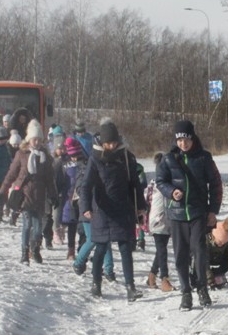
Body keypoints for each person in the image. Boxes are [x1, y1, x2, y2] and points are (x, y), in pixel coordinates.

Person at [155, 120, 223, 311]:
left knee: (199, 251)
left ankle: (202, 288)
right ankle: (186, 292)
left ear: (193, 138)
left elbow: (216, 184)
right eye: (179, 140)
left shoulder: (204, 158)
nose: (183, 144)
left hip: (197, 212)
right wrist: (171, 192)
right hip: (176, 215)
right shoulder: (168, 159)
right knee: (180, 254)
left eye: (186, 139)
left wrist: (213, 211)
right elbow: (160, 181)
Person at [77, 119, 146, 302]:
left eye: (114, 142)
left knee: (125, 248)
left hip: (123, 208)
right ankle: (96, 283)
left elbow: (135, 183)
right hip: (102, 210)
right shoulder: (95, 158)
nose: (111, 146)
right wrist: (85, 207)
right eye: (108, 143)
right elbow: (86, 186)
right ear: (102, 142)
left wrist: (140, 206)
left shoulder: (126, 157)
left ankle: (130, 287)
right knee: (101, 247)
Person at [0, 120, 56, 264]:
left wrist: (53, 195)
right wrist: (3, 189)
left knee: (38, 228)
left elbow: (50, 178)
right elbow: (12, 173)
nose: (36, 142)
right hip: (24, 195)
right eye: (34, 139)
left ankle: (35, 249)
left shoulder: (45, 156)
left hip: (39, 196)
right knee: (27, 224)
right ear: (29, 139)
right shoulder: (21, 154)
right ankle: (24, 253)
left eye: (39, 139)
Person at [145, 152, 174, 292]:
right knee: (162, 250)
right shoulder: (157, 184)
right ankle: (164, 279)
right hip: (158, 220)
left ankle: (151, 276)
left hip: (167, 220)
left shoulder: (169, 182)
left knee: (161, 250)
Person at [56, 136, 86, 260]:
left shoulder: (85, 162)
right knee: (72, 225)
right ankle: (71, 250)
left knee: (83, 227)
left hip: (82, 198)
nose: (74, 158)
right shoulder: (64, 163)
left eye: (76, 156)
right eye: (72, 156)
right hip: (69, 198)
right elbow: (60, 180)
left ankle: (82, 250)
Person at [192, 217, 228, 290]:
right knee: (197, 261)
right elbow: (204, 262)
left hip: (215, 256)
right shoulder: (205, 242)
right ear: (213, 237)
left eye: (224, 243)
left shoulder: (224, 242)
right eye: (219, 242)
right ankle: (195, 278)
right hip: (200, 259)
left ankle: (216, 274)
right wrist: (210, 278)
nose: (221, 244)